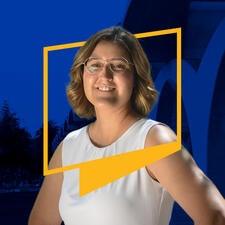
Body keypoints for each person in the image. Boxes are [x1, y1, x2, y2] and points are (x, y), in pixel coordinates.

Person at [28, 26, 225, 225]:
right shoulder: (68, 147)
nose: (104, 75)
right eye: (94, 65)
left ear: (136, 78)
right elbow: (40, 220)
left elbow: (217, 215)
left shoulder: (154, 141)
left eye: (118, 66)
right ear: (82, 75)